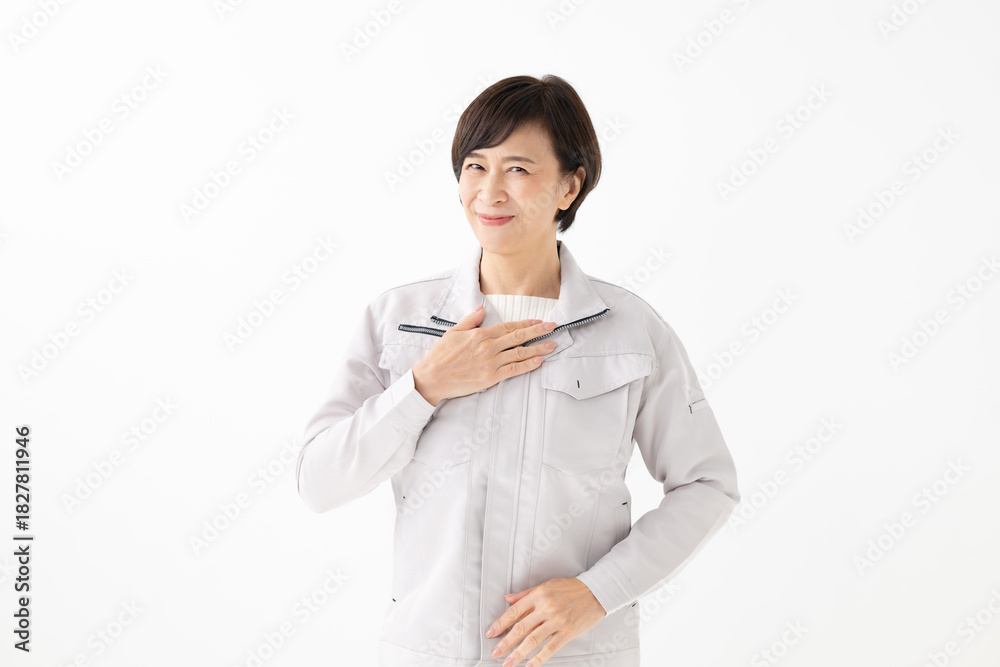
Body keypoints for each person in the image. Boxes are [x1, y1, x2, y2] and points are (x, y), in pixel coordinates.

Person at [296, 74, 741, 667]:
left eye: (518, 169)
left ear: (569, 186)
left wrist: (598, 592)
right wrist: (425, 386)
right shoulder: (400, 322)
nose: (489, 192)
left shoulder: (631, 331)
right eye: (475, 167)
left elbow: (707, 485)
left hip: (571, 656)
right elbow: (319, 483)